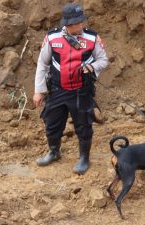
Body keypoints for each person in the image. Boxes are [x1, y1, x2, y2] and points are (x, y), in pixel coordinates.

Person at [33, 3, 109, 174]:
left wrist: (92, 67)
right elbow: (42, 64)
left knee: (83, 126)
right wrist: (39, 90)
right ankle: (54, 152)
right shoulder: (52, 38)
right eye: (77, 23)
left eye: (82, 21)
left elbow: (103, 60)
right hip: (57, 90)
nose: (82, 25)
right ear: (67, 24)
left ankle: (84, 158)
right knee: (52, 124)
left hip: (81, 91)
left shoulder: (92, 38)